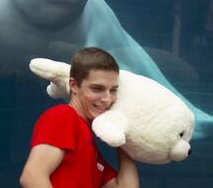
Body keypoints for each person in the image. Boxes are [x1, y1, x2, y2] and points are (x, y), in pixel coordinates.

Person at [20, 47, 139, 188]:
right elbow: (32, 177)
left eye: (113, 90)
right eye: (97, 89)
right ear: (74, 86)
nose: (107, 99)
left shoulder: (87, 137)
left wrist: (123, 136)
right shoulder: (64, 115)